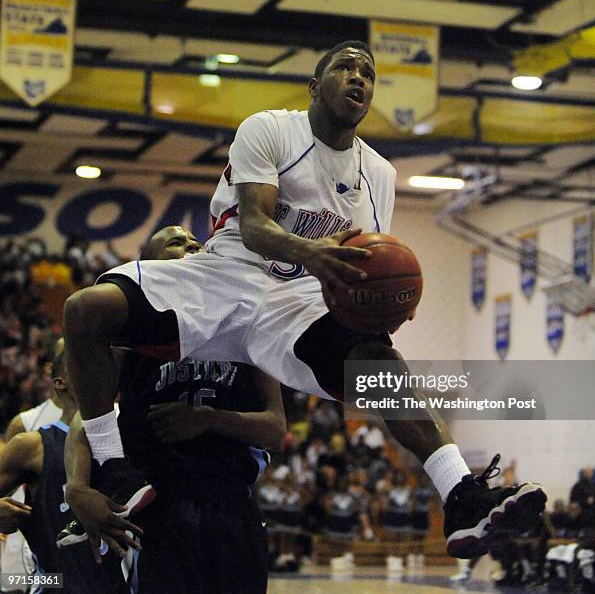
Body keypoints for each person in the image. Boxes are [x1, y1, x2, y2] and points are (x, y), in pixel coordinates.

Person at [63, 41, 546, 559]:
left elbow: (365, 267)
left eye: (368, 73)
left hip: (296, 303)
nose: (358, 78)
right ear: (316, 86)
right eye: (344, 67)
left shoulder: (378, 174)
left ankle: (460, 495)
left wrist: (384, 306)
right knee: (85, 311)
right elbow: (253, 225)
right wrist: (312, 253)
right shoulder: (269, 128)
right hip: (225, 275)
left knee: (380, 365)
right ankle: (114, 469)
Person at [62, 226, 285, 593]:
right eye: (176, 242)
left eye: (196, 243)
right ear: (146, 268)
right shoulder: (128, 338)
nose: (191, 247)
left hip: (231, 506)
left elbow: (275, 429)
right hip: (161, 511)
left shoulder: (246, 325)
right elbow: (84, 420)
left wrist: (210, 420)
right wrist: (76, 488)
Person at [0, 344, 125, 593]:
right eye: (84, 365)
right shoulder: (32, 445)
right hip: (56, 584)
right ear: (60, 383)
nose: (98, 371)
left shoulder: (130, 435)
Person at [1, 352, 63, 593]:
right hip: (45, 566)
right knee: (18, 584)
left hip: (108, 568)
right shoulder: (26, 424)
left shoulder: (120, 420)